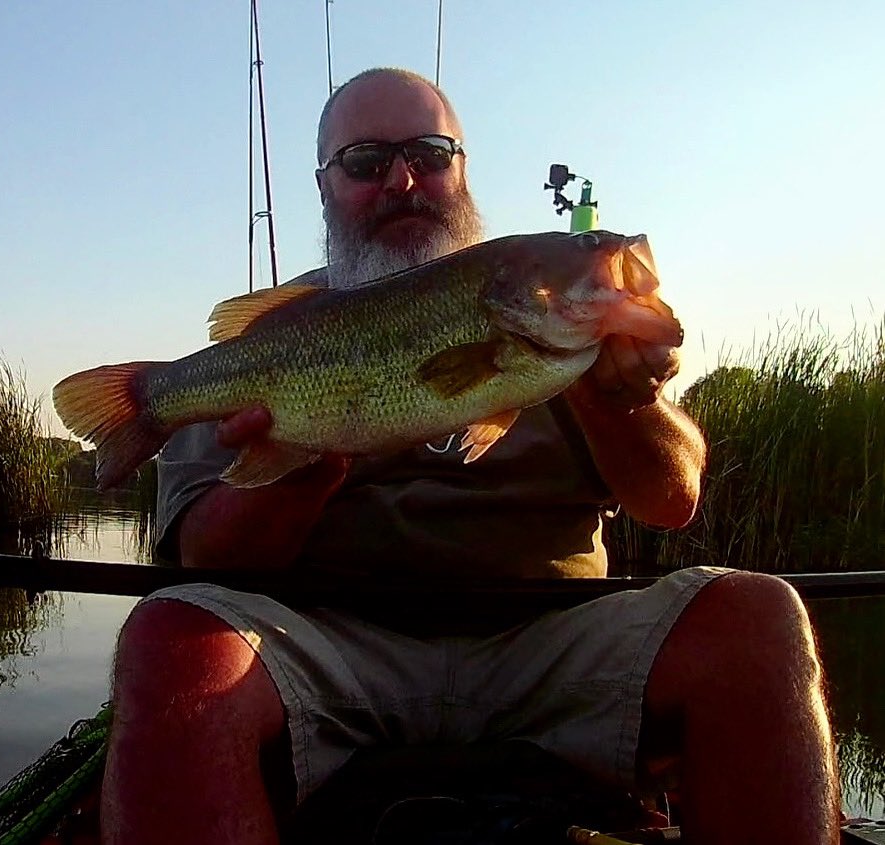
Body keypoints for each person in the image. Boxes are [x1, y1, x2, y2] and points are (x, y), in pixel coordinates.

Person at [100, 68, 840, 844]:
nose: (401, 179)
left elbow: (670, 499)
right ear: (324, 185)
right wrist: (303, 458)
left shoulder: (548, 311)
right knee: (169, 636)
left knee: (757, 617)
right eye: (364, 162)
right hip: (326, 650)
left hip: (551, 643)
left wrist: (623, 397)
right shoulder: (278, 336)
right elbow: (202, 561)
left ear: (462, 169)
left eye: (428, 152)